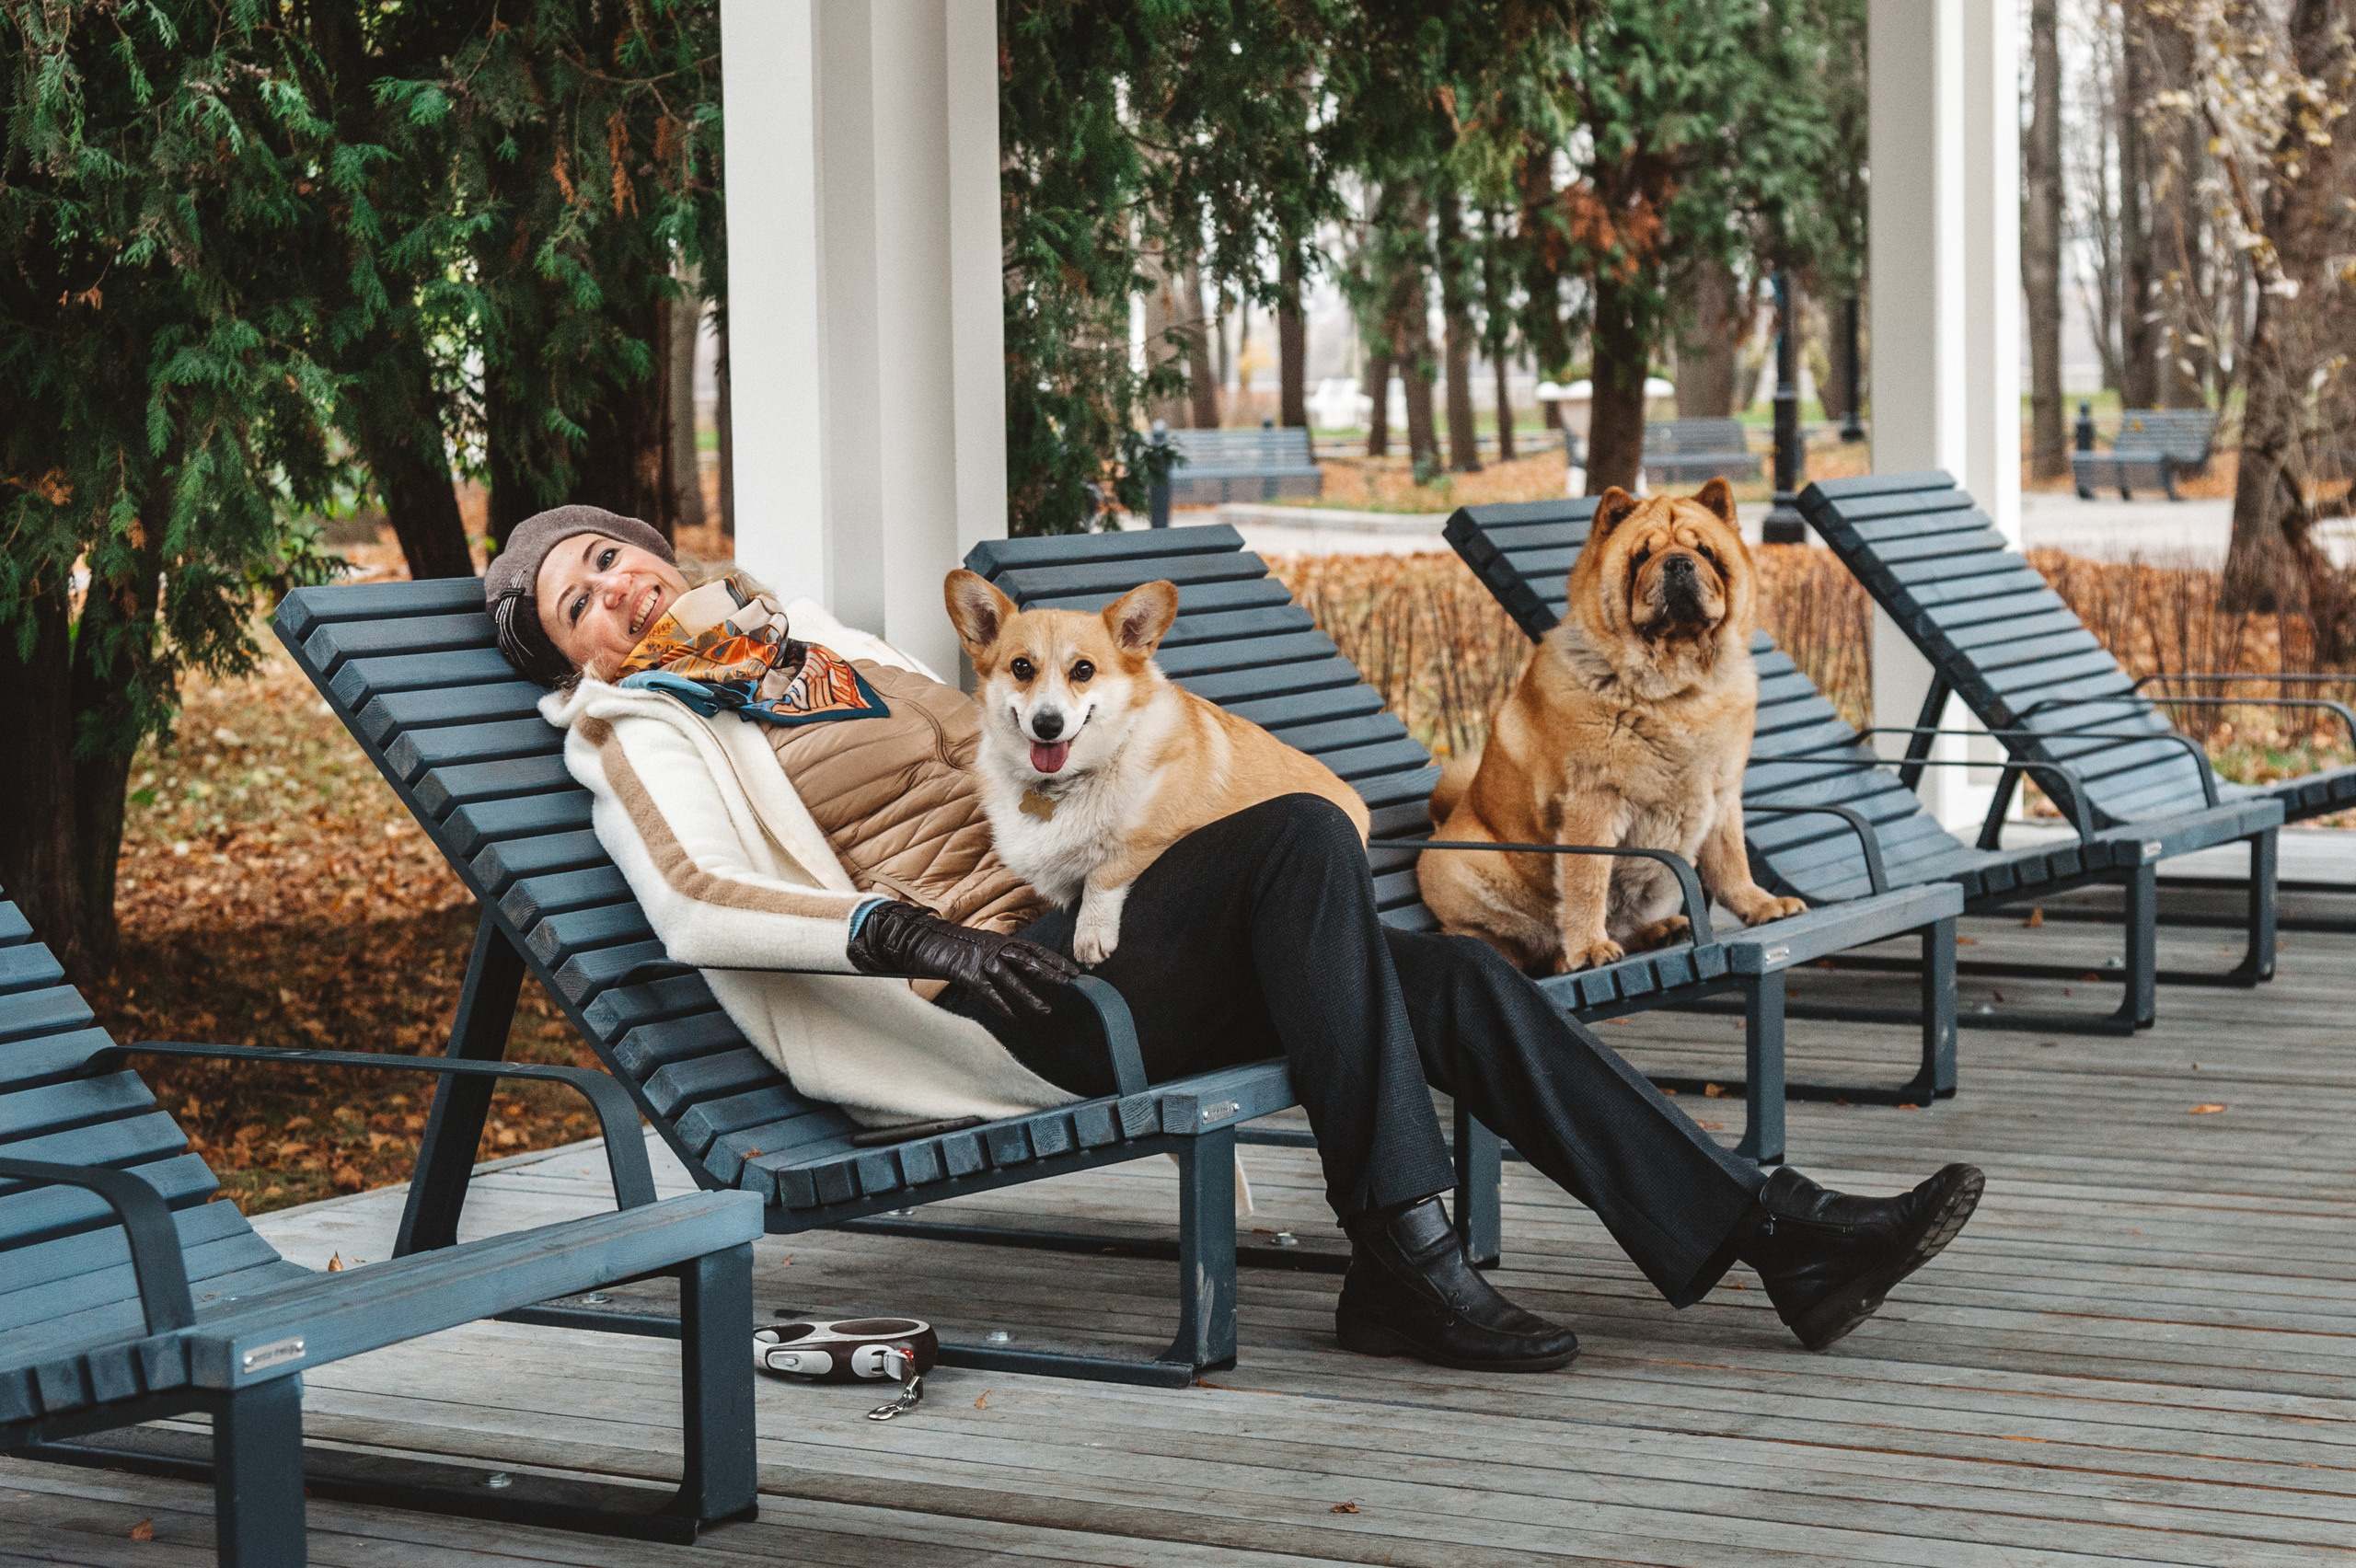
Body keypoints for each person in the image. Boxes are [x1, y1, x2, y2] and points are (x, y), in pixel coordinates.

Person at [486, 505, 1982, 1373]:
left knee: (1454, 977)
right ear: (569, 656)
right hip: (1022, 1000)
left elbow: (1047, 747)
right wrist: (921, 942)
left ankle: (1772, 1235)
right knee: (1305, 835)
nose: (616, 594)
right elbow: (694, 898)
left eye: (615, 561)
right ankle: (1404, 1255)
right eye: (576, 604)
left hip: (1100, 941)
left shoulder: (822, 651)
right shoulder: (636, 725)